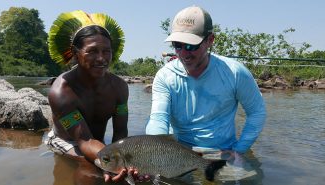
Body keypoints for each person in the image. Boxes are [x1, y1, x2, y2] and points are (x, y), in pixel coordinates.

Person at [146, 5, 267, 158]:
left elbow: (257, 112)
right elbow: (158, 118)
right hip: (178, 152)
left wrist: (239, 150)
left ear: (210, 40)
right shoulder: (165, 76)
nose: (183, 53)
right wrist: (154, 153)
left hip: (223, 152)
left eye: (191, 45)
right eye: (177, 45)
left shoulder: (235, 73)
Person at [45, 24, 136, 183]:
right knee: (91, 166)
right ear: (75, 53)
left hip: (96, 142)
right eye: (92, 51)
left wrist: (126, 164)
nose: (101, 58)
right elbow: (84, 141)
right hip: (67, 140)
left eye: (106, 51)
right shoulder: (61, 92)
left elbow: (120, 132)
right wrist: (112, 164)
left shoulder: (120, 88)